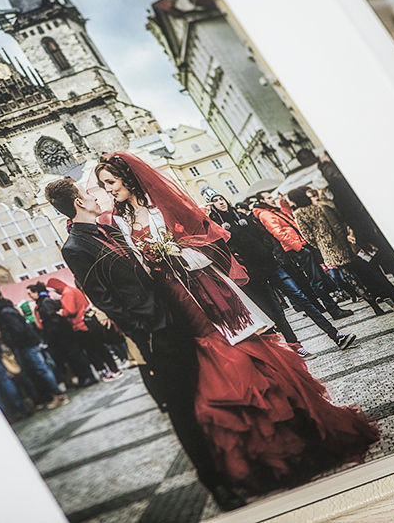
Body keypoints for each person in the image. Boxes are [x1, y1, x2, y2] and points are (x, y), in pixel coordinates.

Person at [92, 152, 379, 496]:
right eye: (103, 185)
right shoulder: (120, 220)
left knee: (238, 351)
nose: (108, 190)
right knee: (205, 354)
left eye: (110, 182)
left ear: (127, 177)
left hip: (203, 290)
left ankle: (295, 434)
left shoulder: (160, 207)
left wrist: (175, 253)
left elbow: (209, 240)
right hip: (173, 301)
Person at [44, 177, 247, 511]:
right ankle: (216, 484)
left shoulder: (106, 231)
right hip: (155, 336)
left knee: (204, 399)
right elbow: (106, 301)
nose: (98, 195)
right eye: (89, 193)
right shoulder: (75, 247)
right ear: (78, 202)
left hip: (174, 322)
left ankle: (234, 468)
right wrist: (148, 331)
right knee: (183, 411)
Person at [207, 194, 356, 355]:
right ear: (212, 205)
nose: (220, 202)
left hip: (271, 265)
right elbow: (227, 249)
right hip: (253, 275)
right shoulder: (217, 225)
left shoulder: (242, 216)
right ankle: (296, 346)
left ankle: (335, 335)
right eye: (215, 201)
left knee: (302, 298)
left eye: (221, 198)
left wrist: (268, 250)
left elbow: (263, 233)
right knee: (277, 312)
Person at [317, 157, 394, 323]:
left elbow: (356, 218)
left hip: (375, 236)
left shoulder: (340, 191)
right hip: (382, 231)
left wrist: (363, 240)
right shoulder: (353, 182)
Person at [287, 187, 394, 314]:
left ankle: (376, 307)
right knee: (368, 273)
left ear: (295, 200)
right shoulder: (319, 207)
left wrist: (321, 244)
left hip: (331, 251)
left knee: (352, 279)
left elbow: (308, 236)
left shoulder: (299, 214)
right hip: (344, 245)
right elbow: (337, 225)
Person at [252, 191, 354, 320]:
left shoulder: (272, 211)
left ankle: (333, 308)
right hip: (296, 248)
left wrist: (283, 202)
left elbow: (287, 217)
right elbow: (278, 233)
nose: (272, 199)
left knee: (318, 277)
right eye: (268, 198)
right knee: (316, 280)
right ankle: (333, 310)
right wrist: (298, 246)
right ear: (261, 201)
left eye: (271, 197)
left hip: (299, 245)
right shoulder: (265, 214)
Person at [0, 287, 69, 410]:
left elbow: (18, 330)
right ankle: (56, 395)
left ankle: (59, 395)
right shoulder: (7, 309)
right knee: (40, 370)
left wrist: (11, 341)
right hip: (28, 344)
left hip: (26, 345)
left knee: (41, 370)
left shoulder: (5, 312)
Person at [45, 277, 123, 381]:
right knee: (101, 348)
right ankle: (114, 369)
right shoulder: (73, 290)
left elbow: (70, 310)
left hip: (81, 325)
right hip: (88, 323)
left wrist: (61, 312)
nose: (52, 295)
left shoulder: (67, 293)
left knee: (93, 351)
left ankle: (107, 371)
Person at [27, 282, 96, 388]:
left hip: (62, 337)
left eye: (30, 293)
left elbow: (54, 321)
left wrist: (52, 336)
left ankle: (88, 377)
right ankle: (84, 377)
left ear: (36, 292)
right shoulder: (44, 302)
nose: (30, 296)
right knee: (74, 358)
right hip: (62, 337)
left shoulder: (45, 303)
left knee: (76, 357)